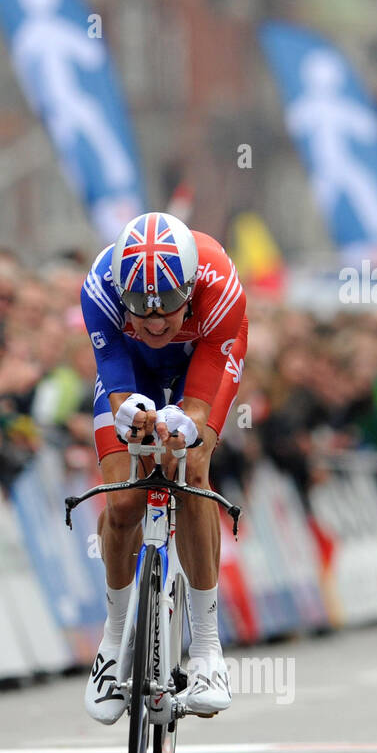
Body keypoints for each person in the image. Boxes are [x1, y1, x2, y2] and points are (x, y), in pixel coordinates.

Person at [79, 212, 248, 723]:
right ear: (121, 292)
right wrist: (130, 410)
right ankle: (111, 645)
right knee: (125, 496)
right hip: (132, 368)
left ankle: (207, 653)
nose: (155, 323)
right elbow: (116, 378)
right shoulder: (98, 289)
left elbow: (200, 405)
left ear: (191, 287)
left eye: (169, 308)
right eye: (142, 310)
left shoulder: (221, 285)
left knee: (193, 469)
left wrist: (187, 426)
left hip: (203, 359)